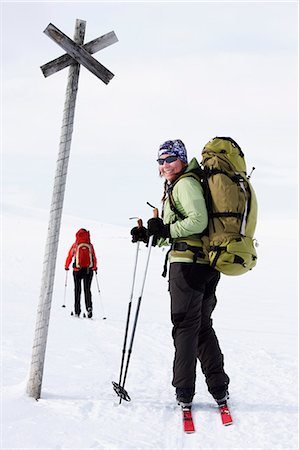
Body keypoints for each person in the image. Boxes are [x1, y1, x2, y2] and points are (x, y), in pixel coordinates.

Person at [131, 139, 229, 408]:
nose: (165, 165)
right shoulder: (184, 183)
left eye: (170, 159)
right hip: (204, 264)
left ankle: (184, 390)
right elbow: (179, 230)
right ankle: (219, 386)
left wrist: (166, 231)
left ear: (182, 160)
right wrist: (151, 235)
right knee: (201, 326)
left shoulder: (185, 183)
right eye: (160, 161)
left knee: (185, 327)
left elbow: (198, 220)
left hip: (187, 267)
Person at [65, 228, 97, 318]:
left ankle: (77, 310)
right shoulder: (90, 245)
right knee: (87, 290)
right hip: (88, 270)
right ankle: (89, 308)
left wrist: (66, 266)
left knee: (77, 290)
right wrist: (94, 267)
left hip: (77, 270)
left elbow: (70, 256)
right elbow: (94, 257)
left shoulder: (75, 245)